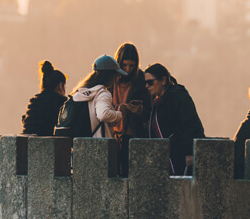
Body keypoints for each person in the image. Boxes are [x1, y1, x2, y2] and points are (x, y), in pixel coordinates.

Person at [144, 63, 205, 175]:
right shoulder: (157, 101)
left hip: (180, 155)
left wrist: (190, 152)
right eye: (145, 83)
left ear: (163, 80)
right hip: (167, 157)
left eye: (150, 82)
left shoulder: (178, 96)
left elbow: (191, 124)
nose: (147, 86)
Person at [112, 43, 151, 176]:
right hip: (112, 137)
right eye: (124, 65)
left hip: (133, 138)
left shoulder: (142, 81)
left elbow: (149, 114)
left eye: (131, 65)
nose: (127, 69)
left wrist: (139, 111)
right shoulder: (109, 80)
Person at [71, 54, 127, 138]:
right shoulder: (103, 93)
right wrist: (119, 114)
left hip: (80, 143)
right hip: (99, 144)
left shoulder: (80, 92)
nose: (117, 79)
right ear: (110, 76)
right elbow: (104, 114)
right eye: (117, 75)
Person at [21, 60, 67, 136]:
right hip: (49, 145)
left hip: (26, 145)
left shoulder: (33, 102)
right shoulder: (62, 103)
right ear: (61, 86)